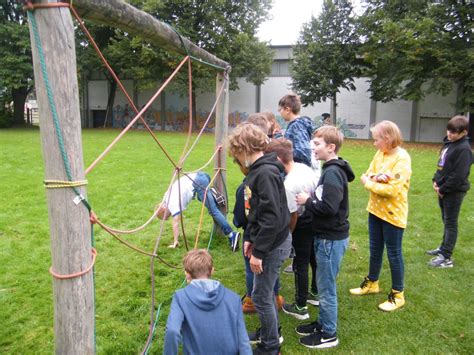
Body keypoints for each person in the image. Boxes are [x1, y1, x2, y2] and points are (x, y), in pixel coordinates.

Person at [228, 122, 291, 355]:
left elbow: (272, 218)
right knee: (261, 294)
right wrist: (250, 238)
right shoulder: (260, 170)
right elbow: (257, 210)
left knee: (262, 296)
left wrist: (259, 252)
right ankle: (268, 334)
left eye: (236, 151)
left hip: (274, 246)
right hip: (268, 240)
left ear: (244, 148)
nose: (235, 156)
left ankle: (271, 346)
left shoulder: (264, 173)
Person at [294, 125, 354, 349]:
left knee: (326, 288)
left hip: (330, 238)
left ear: (331, 147)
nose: (313, 148)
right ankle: (322, 323)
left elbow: (329, 207)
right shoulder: (331, 169)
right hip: (327, 236)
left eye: (317, 144)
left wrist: (307, 201)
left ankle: (329, 334)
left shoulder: (332, 173)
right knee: (323, 283)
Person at [349, 120, 412, 312]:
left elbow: (392, 190)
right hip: (375, 210)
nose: (374, 143)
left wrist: (369, 182)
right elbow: (368, 173)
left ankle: (398, 294)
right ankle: (372, 283)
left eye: (377, 139)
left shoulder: (402, 158)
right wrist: (377, 178)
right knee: (375, 249)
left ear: (387, 138)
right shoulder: (381, 153)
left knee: (394, 253)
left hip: (393, 214)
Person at [265, 138, 320, 321]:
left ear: (279, 159)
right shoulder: (304, 168)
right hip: (315, 216)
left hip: (302, 222)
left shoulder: (288, 185)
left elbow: (293, 215)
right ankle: (315, 293)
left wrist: (289, 234)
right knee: (313, 258)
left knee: (300, 263)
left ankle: (300, 306)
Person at [163, 249, 252, 355]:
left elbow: (172, 331)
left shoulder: (180, 297)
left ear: (187, 274)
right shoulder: (234, 298)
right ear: (212, 270)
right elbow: (243, 341)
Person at [232, 147, 284, 315]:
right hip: (258, 236)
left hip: (263, 239)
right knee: (269, 278)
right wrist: (248, 237)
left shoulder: (262, 177)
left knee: (255, 277)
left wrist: (258, 251)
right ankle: (274, 298)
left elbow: (267, 216)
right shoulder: (268, 172)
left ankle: (251, 302)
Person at [427, 115, 472, 268]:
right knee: (446, 220)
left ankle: (446, 257)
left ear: (464, 132)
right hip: (442, 189)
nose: (450, 134)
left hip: (453, 191)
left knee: (451, 222)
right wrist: (435, 181)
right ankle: (443, 248)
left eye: (454, 132)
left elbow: (459, 175)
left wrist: (443, 189)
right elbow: (442, 166)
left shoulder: (464, 149)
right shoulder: (449, 144)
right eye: (449, 130)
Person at [156, 171, 240, 250]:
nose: (170, 215)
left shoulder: (171, 204)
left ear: (164, 210)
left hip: (198, 182)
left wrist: (175, 241)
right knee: (200, 197)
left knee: (213, 211)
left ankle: (231, 235)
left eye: (167, 216)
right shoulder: (166, 197)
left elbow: (175, 223)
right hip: (201, 175)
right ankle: (210, 194)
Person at [278, 93, 314, 167]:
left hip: (298, 171)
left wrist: (283, 152)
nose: (279, 112)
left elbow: (304, 153)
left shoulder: (297, 126)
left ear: (287, 109)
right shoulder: (296, 125)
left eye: (280, 109)